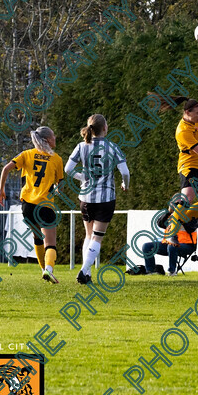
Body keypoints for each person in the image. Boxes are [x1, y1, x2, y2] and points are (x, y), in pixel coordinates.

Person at [65, 114, 130, 285]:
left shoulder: (81, 146)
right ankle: (83, 270)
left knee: (89, 235)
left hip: (86, 197)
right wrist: (125, 184)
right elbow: (125, 172)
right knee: (98, 237)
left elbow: (68, 169)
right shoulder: (112, 147)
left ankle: (86, 274)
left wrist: (82, 178)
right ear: (105, 128)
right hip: (106, 197)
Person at [0, 126, 64, 284]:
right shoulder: (56, 159)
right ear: (47, 140)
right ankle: (48, 269)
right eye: (53, 136)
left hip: (27, 205)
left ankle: (43, 270)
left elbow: (6, 168)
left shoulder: (26, 154)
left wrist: (1, 190)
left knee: (37, 237)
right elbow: (60, 184)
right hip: (45, 205)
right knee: (51, 243)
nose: (55, 138)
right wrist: (57, 190)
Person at [159, 98, 198, 232]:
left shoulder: (196, 121)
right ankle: (172, 229)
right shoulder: (183, 131)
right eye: (197, 113)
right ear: (187, 113)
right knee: (188, 198)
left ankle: (180, 217)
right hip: (188, 167)